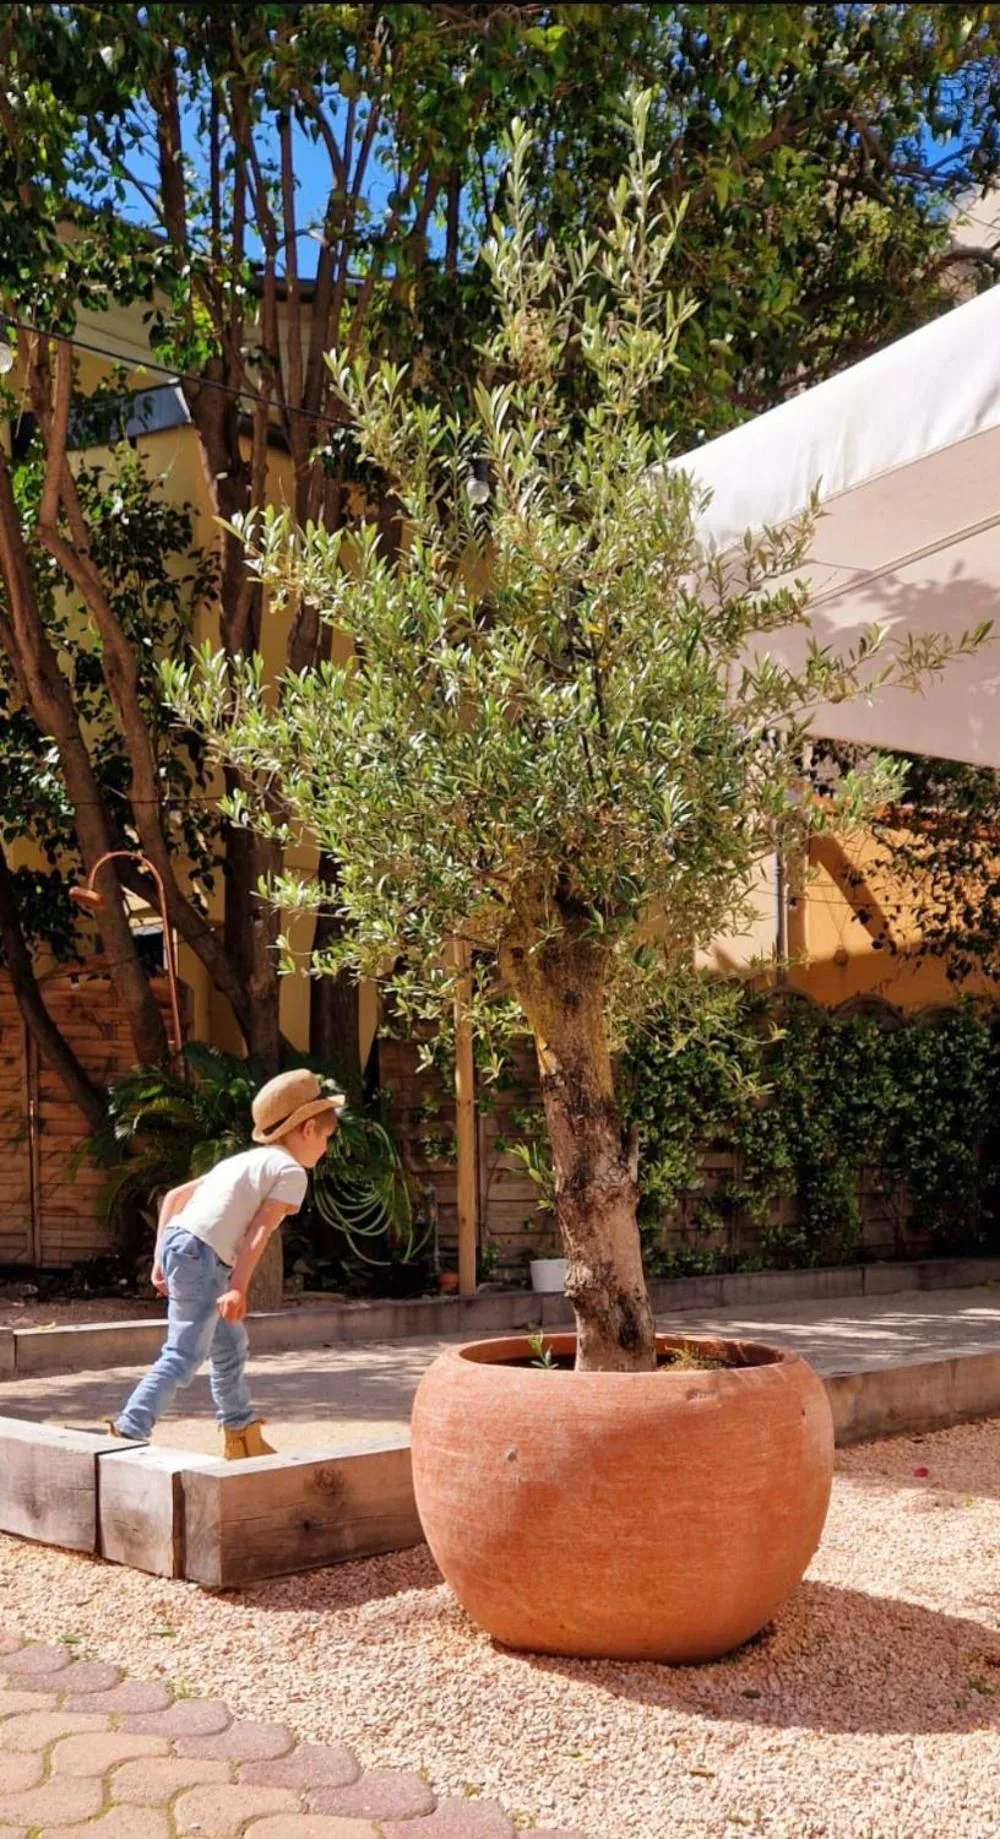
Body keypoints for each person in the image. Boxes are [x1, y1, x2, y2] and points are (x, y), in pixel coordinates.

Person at [108, 1068, 344, 1459]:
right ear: (306, 1130)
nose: (324, 1148)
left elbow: (173, 1198)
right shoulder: (290, 1172)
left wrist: (160, 1256)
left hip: (184, 1246)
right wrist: (237, 1286)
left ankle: (240, 1433)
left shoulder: (244, 1162)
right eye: (325, 1138)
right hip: (203, 1256)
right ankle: (131, 1428)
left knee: (230, 1345)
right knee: (184, 1354)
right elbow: (258, 1232)